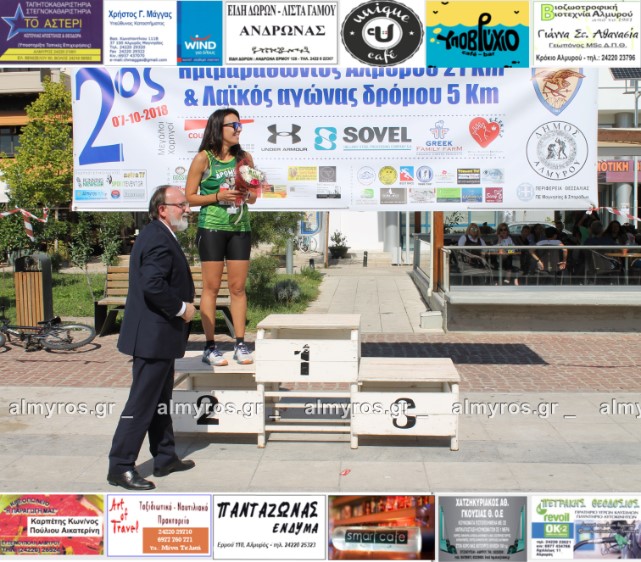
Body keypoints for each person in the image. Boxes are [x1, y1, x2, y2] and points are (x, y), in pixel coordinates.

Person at [108, 186, 196, 491]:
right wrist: (182, 308)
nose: (187, 209)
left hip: (159, 337)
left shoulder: (158, 234)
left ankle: (164, 457)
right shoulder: (158, 237)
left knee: (160, 401)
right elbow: (153, 285)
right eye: (181, 205)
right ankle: (120, 467)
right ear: (163, 209)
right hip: (153, 336)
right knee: (142, 404)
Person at [186, 108, 258, 367]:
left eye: (240, 125)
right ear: (218, 128)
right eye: (233, 125)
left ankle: (240, 344)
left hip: (240, 228)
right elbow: (190, 197)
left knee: (237, 288)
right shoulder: (203, 159)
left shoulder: (245, 158)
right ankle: (210, 346)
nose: (239, 129)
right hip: (212, 228)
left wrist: (245, 194)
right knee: (212, 288)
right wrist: (218, 196)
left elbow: (254, 196)